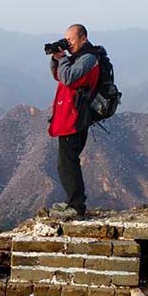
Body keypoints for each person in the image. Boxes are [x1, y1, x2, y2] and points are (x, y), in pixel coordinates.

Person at [47, 23, 100, 220]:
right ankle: (74, 203)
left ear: (83, 38)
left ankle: (77, 207)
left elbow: (68, 78)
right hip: (68, 116)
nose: (67, 44)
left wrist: (63, 59)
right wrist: (56, 58)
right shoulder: (78, 58)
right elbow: (59, 76)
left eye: (70, 40)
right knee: (66, 162)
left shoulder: (88, 58)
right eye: (66, 40)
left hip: (76, 118)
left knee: (67, 163)